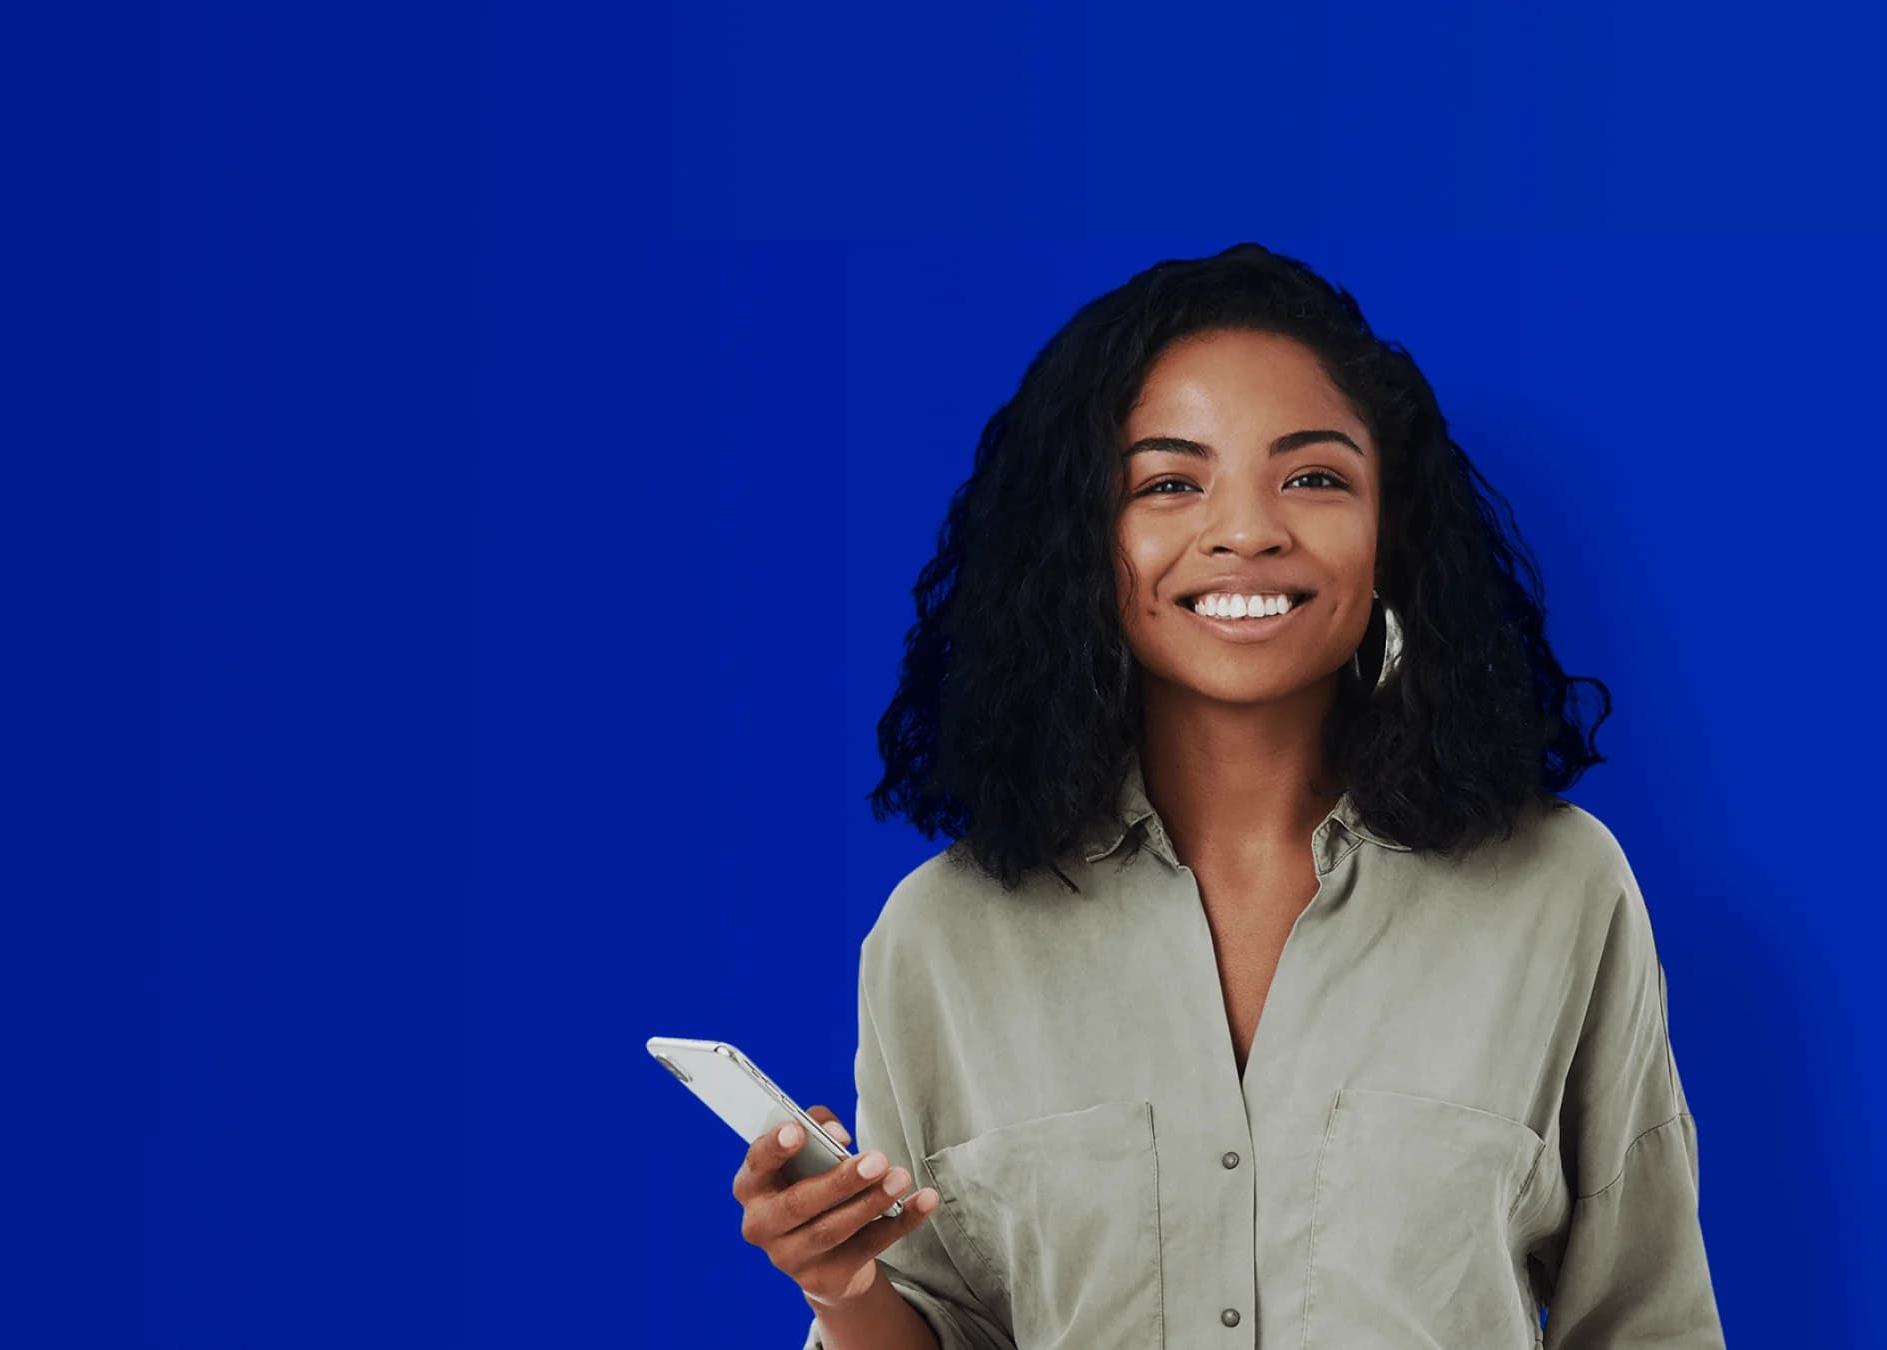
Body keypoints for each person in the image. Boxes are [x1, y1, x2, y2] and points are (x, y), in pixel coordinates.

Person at [733, 242, 1725, 1348]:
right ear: (1081, 541)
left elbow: (1647, 1323)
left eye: (1313, 478)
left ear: (1391, 533)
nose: (1248, 529)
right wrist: (842, 1287)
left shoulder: (1558, 889)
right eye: (1169, 483)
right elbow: (944, 1323)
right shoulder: (942, 937)